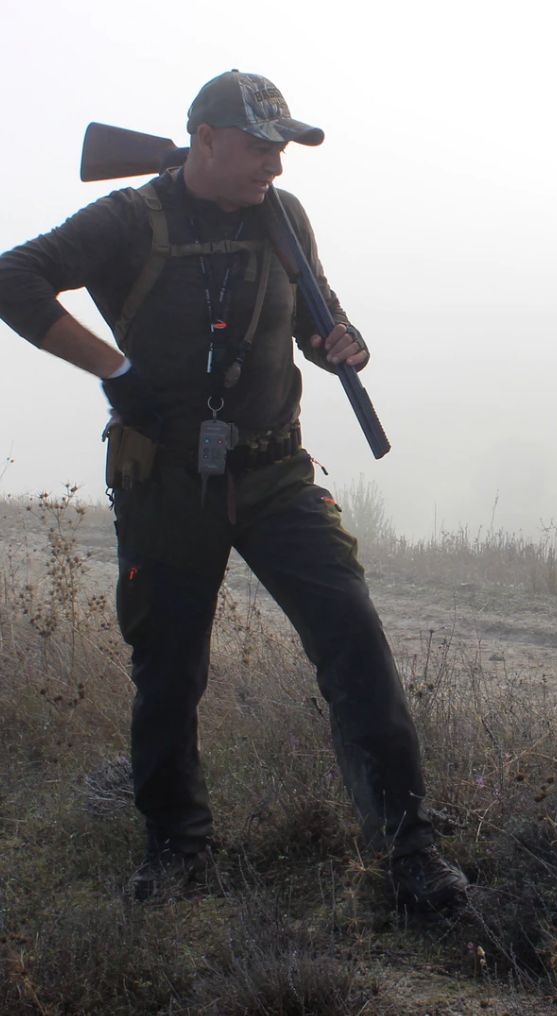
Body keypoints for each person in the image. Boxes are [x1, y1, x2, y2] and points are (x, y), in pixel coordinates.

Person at [0, 70, 467, 912]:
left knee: (354, 639)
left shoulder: (283, 217)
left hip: (275, 469)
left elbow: (310, 318)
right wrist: (114, 371)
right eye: (259, 146)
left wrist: (337, 342)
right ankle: (176, 849)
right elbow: (14, 277)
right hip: (166, 476)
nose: (275, 167)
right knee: (169, 672)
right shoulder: (127, 219)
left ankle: (411, 854)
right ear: (203, 140)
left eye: (282, 148)